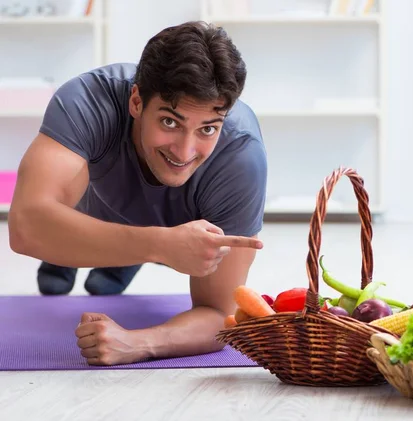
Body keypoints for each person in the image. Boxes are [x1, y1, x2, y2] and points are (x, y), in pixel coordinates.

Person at [7, 21, 267, 366]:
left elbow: (220, 314)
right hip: (94, 203)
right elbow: (26, 225)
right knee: (53, 258)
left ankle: (114, 262)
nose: (185, 150)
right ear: (135, 101)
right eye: (170, 122)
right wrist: (159, 245)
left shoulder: (241, 155)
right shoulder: (87, 100)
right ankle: (77, 252)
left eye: (207, 129)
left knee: (104, 282)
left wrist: (138, 343)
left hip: (176, 218)